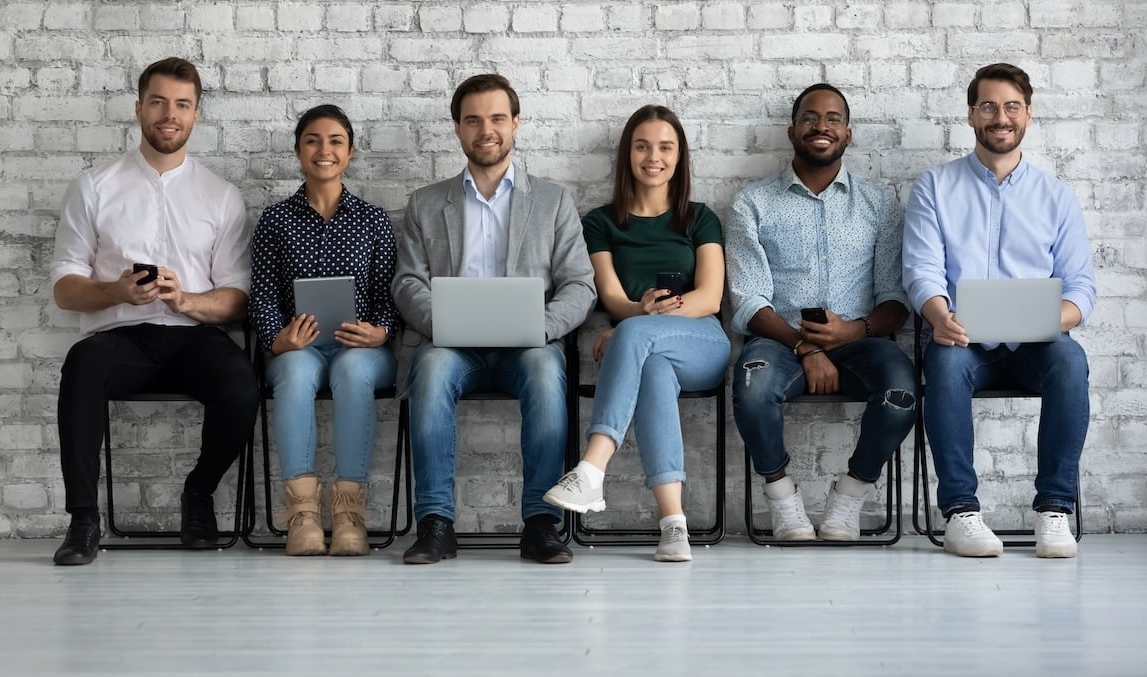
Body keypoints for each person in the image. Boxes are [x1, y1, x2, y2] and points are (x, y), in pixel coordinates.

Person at [49, 57, 258, 566]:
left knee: (242, 384)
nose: (170, 114)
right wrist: (117, 291)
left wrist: (184, 300)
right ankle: (83, 519)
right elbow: (64, 287)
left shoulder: (222, 197)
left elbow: (237, 298)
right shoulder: (95, 186)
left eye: (182, 105)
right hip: (123, 337)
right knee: (81, 366)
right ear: (139, 107)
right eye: (159, 102)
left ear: (196, 114)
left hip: (194, 337)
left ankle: (198, 494)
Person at [392, 74, 596, 565]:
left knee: (547, 371)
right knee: (434, 368)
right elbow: (406, 283)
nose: (487, 130)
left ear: (516, 124)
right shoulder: (425, 203)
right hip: (450, 343)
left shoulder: (552, 201)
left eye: (498, 118)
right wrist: (442, 324)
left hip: (528, 344)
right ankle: (436, 523)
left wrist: (539, 327)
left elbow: (580, 285)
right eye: (474, 120)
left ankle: (541, 523)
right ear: (458, 129)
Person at [903, 63, 1096, 559]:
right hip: (965, 341)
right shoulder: (934, 186)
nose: (1000, 117)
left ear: (1028, 115)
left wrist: (1050, 321)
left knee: (1071, 362)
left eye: (1011, 106)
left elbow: (1082, 289)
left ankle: (1054, 511)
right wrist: (938, 314)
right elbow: (922, 270)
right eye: (988, 106)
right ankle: (961, 513)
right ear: (971, 115)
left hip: (1037, 343)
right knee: (942, 362)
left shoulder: (1056, 197)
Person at [727, 83, 917, 542]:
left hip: (862, 344)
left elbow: (897, 299)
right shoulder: (752, 203)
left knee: (903, 392)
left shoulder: (879, 204)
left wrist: (853, 331)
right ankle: (783, 500)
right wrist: (804, 346)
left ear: (848, 134)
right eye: (810, 117)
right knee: (751, 387)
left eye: (833, 118)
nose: (821, 126)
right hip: (779, 344)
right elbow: (749, 300)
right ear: (793, 130)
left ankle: (849, 497)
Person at [543, 106, 731, 563]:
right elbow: (610, 298)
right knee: (652, 370)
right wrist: (636, 313)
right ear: (627, 155)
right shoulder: (600, 222)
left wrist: (638, 322)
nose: (654, 157)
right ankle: (674, 527)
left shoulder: (699, 217)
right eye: (642, 146)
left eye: (665, 147)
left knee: (633, 337)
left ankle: (592, 468)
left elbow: (709, 297)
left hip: (701, 340)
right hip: (647, 348)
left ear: (679, 156)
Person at [248, 105, 399, 557]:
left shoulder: (373, 221)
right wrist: (278, 338)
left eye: (335, 141)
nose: (324, 150)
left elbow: (390, 295)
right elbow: (262, 294)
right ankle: (304, 516)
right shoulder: (275, 221)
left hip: (363, 349)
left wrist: (381, 331)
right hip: (300, 348)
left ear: (350, 152)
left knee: (353, 371)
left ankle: (350, 513)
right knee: (293, 372)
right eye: (312, 140)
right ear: (298, 151)